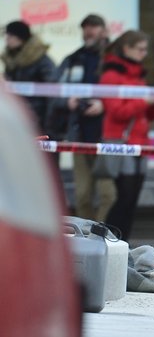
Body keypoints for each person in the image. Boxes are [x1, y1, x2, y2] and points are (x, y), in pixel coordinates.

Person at [99, 30, 154, 240]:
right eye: (140, 49)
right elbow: (116, 111)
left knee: (131, 201)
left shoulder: (138, 76)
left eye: (145, 49)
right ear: (126, 48)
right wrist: (144, 101)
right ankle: (110, 240)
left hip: (140, 143)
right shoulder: (111, 75)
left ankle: (122, 243)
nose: (144, 53)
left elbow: (145, 115)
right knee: (122, 199)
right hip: (122, 143)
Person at [47, 14, 115, 221]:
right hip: (79, 134)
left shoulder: (114, 58)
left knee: (108, 195)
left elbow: (128, 93)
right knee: (82, 195)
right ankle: (88, 238)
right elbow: (53, 92)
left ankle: (103, 235)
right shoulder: (73, 59)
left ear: (104, 30)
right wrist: (68, 102)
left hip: (108, 137)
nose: (88, 31)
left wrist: (104, 104)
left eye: (93, 27)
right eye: (85, 27)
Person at [2, 19, 56, 132]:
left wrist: (49, 125)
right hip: (17, 117)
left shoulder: (42, 61)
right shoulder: (11, 60)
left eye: (10, 35)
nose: (6, 38)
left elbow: (53, 92)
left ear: (20, 37)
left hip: (38, 120)